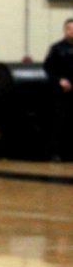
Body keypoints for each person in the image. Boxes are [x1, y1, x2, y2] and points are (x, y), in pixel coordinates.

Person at [44, 18, 73, 161]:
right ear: (65, 30)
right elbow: (48, 68)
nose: (72, 31)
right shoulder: (57, 48)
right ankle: (56, 152)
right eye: (69, 28)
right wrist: (59, 80)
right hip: (60, 91)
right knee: (59, 121)